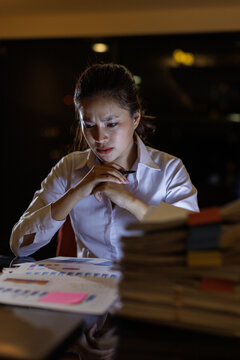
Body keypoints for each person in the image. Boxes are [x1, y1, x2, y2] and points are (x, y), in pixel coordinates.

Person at [10, 63, 199, 259]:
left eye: (111, 124)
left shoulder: (169, 170)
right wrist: (77, 192)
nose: (100, 137)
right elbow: (20, 246)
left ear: (135, 118)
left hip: (148, 285)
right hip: (88, 286)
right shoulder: (69, 168)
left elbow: (193, 242)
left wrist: (129, 200)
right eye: (89, 125)